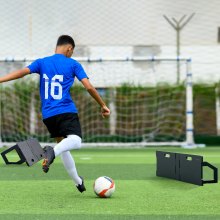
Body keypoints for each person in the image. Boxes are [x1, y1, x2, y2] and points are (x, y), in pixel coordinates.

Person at [0, 35, 110, 193]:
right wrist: (103, 105)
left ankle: (78, 182)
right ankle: (52, 152)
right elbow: (89, 87)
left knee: (64, 145)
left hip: (48, 115)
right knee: (75, 141)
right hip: (66, 110)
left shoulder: (42, 62)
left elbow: (21, 73)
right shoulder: (73, 64)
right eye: (72, 51)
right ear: (69, 48)